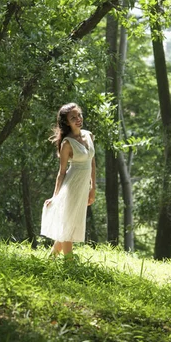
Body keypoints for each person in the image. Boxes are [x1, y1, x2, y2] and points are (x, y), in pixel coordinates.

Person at [40, 102, 96, 258]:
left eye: (79, 115)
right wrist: (55, 196)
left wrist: (93, 187)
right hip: (71, 186)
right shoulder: (67, 143)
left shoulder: (89, 135)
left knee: (72, 222)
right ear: (66, 122)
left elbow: (92, 162)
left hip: (83, 186)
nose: (78, 119)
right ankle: (69, 263)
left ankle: (51, 258)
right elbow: (62, 172)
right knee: (68, 223)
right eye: (73, 117)